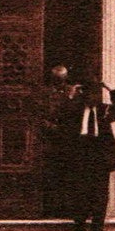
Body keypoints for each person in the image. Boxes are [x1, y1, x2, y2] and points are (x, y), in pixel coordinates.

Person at [65, 79, 115, 231]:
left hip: (100, 167)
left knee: (99, 210)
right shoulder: (75, 111)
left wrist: (113, 91)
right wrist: (70, 97)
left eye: (95, 95)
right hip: (81, 166)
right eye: (88, 94)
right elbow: (60, 114)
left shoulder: (104, 111)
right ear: (82, 95)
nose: (92, 98)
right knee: (80, 211)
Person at [39, 63, 74, 217]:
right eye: (57, 79)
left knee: (67, 175)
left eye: (62, 79)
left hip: (68, 140)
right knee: (49, 174)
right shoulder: (44, 93)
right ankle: (49, 209)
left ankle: (66, 209)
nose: (60, 82)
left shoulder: (72, 91)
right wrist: (49, 126)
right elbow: (39, 115)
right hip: (49, 140)